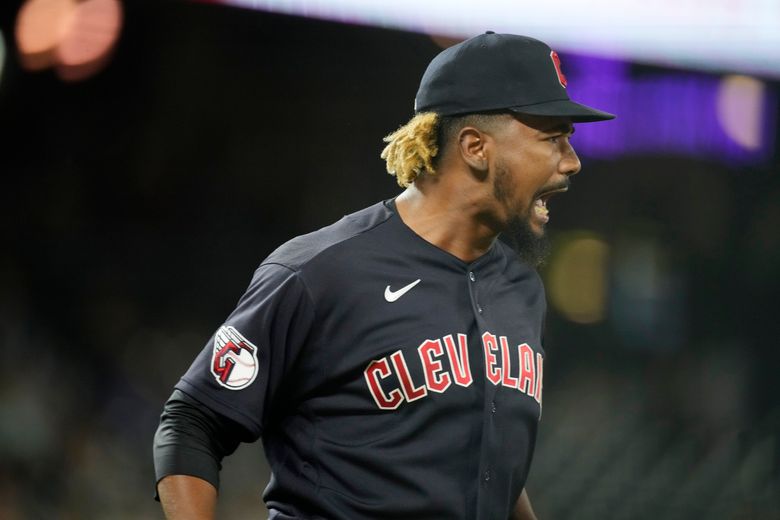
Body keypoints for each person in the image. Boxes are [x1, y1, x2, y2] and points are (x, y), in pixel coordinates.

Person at [153, 31, 614, 520]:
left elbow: (488, 468)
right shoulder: (322, 271)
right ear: (476, 147)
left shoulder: (522, 290)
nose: (572, 160)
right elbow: (192, 422)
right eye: (552, 138)